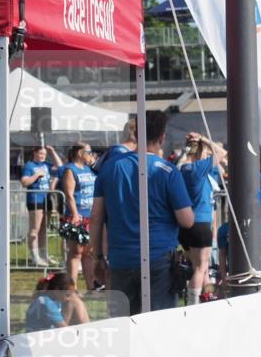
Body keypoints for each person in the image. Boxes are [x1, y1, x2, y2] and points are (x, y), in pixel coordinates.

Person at [90, 110, 194, 314]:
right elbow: (187, 220)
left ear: (135, 134)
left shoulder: (110, 167)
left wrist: (98, 256)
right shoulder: (167, 170)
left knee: (124, 325)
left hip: (121, 259)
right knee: (159, 325)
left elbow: (95, 217)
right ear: (162, 138)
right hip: (159, 259)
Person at [179, 132, 227, 305]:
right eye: (205, 153)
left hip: (189, 225)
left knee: (202, 268)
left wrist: (195, 145)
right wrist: (204, 139)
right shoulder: (196, 169)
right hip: (200, 224)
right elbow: (222, 153)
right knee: (201, 268)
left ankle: (206, 300)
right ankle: (194, 305)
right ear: (199, 153)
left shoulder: (184, 169)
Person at [57, 144, 97, 290]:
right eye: (89, 152)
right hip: (77, 217)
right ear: (80, 153)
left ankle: (91, 286)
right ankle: (71, 288)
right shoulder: (70, 170)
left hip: (91, 217)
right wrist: (75, 214)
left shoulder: (90, 169)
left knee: (89, 253)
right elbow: (69, 195)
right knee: (76, 253)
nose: (91, 154)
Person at [21, 145, 63, 266]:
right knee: (35, 229)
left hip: (47, 199)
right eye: (40, 154)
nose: (43, 156)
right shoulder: (30, 166)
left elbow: (61, 168)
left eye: (44, 154)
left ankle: (44, 255)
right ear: (34, 153)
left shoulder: (47, 165)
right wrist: (36, 175)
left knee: (44, 229)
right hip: (35, 199)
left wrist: (53, 152)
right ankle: (35, 256)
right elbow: (24, 182)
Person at [25, 273, 90, 332]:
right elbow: (64, 329)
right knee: (75, 302)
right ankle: (87, 333)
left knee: (76, 301)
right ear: (56, 291)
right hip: (39, 340)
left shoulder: (52, 297)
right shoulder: (46, 303)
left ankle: (87, 331)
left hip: (47, 334)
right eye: (67, 295)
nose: (69, 299)